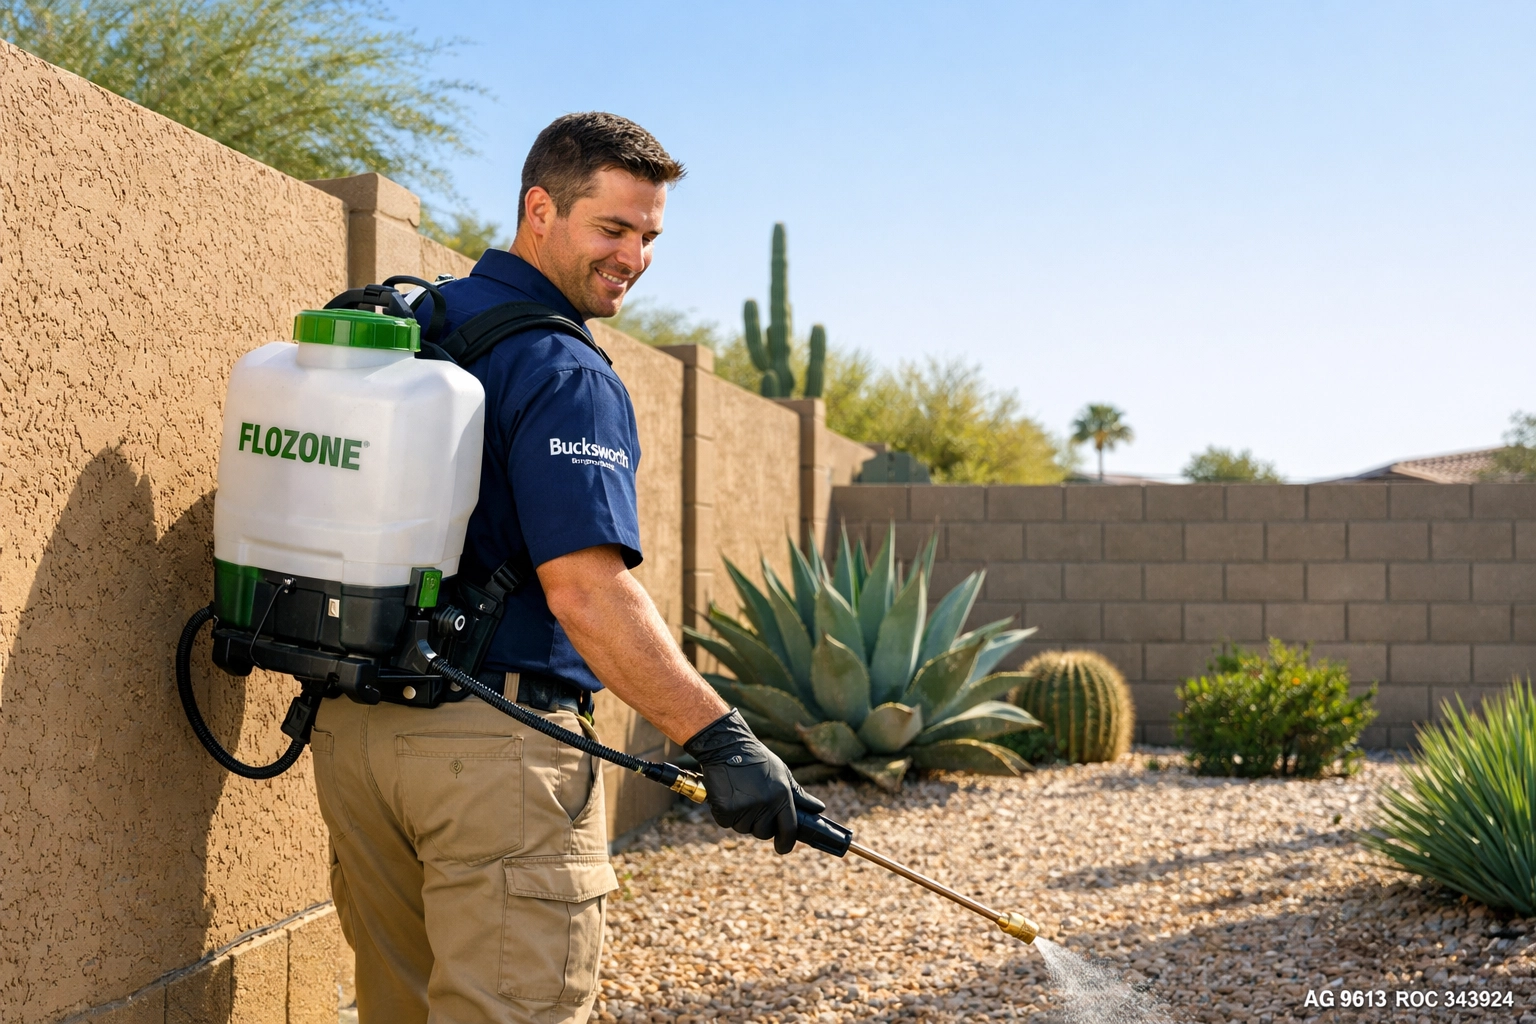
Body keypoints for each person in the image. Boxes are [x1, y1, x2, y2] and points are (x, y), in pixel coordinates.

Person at [310, 111, 821, 1024]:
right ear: (539, 210)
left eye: (649, 236)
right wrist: (721, 741)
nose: (634, 257)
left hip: (357, 741)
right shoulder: (562, 369)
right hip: (490, 759)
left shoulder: (422, 322)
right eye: (613, 228)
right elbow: (586, 590)